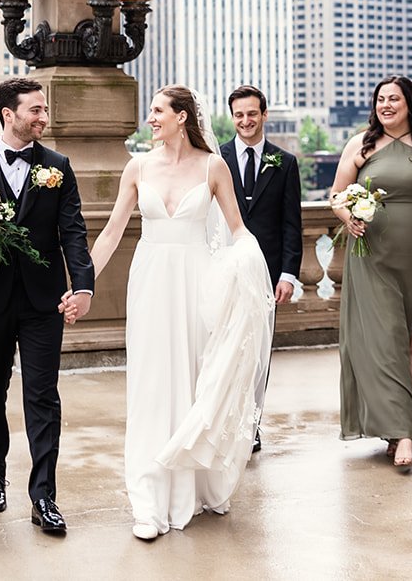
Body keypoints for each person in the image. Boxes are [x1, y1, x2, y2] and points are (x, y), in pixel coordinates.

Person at [84, 86, 275, 541]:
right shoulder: (138, 166)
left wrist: (250, 273)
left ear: (182, 117)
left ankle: (200, 482)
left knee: (193, 376)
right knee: (151, 383)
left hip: (198, 282)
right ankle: (149, 500)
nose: (150, 118)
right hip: (150, 281)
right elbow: (110, 234)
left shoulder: (213, 167)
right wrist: (82, 282)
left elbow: (237, 230)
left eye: (157, 110)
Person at [0, 77, 94, 536]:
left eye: (44, 109)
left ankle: (43, 496)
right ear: (7, 114)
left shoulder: (58, 166)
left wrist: (84, 287)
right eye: (34, 110)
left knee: (42, 396)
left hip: (43, 302)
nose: (43, 117)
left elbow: (73, 232)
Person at [330, 75, 412, 471]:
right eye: (380, 99)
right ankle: (403, 431)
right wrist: (346, 214)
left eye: (394, 99)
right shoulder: (360, 144)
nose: (386, 105)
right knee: (382, 341)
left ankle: (402, 424)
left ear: (409, 103)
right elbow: (336, 194)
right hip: (371, 254)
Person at [217, 83, 301, 453]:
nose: (246, 121)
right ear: (232, 117)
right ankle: (222, 421)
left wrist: (288, 273)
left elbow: (291, 223)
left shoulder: (285, 162)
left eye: (252, 114)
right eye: (239, 115)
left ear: (264, 115)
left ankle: (251, 426)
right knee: (222, 349)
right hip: (223, 271)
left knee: (257, 353)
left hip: (267, 274)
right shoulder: (215, 160)